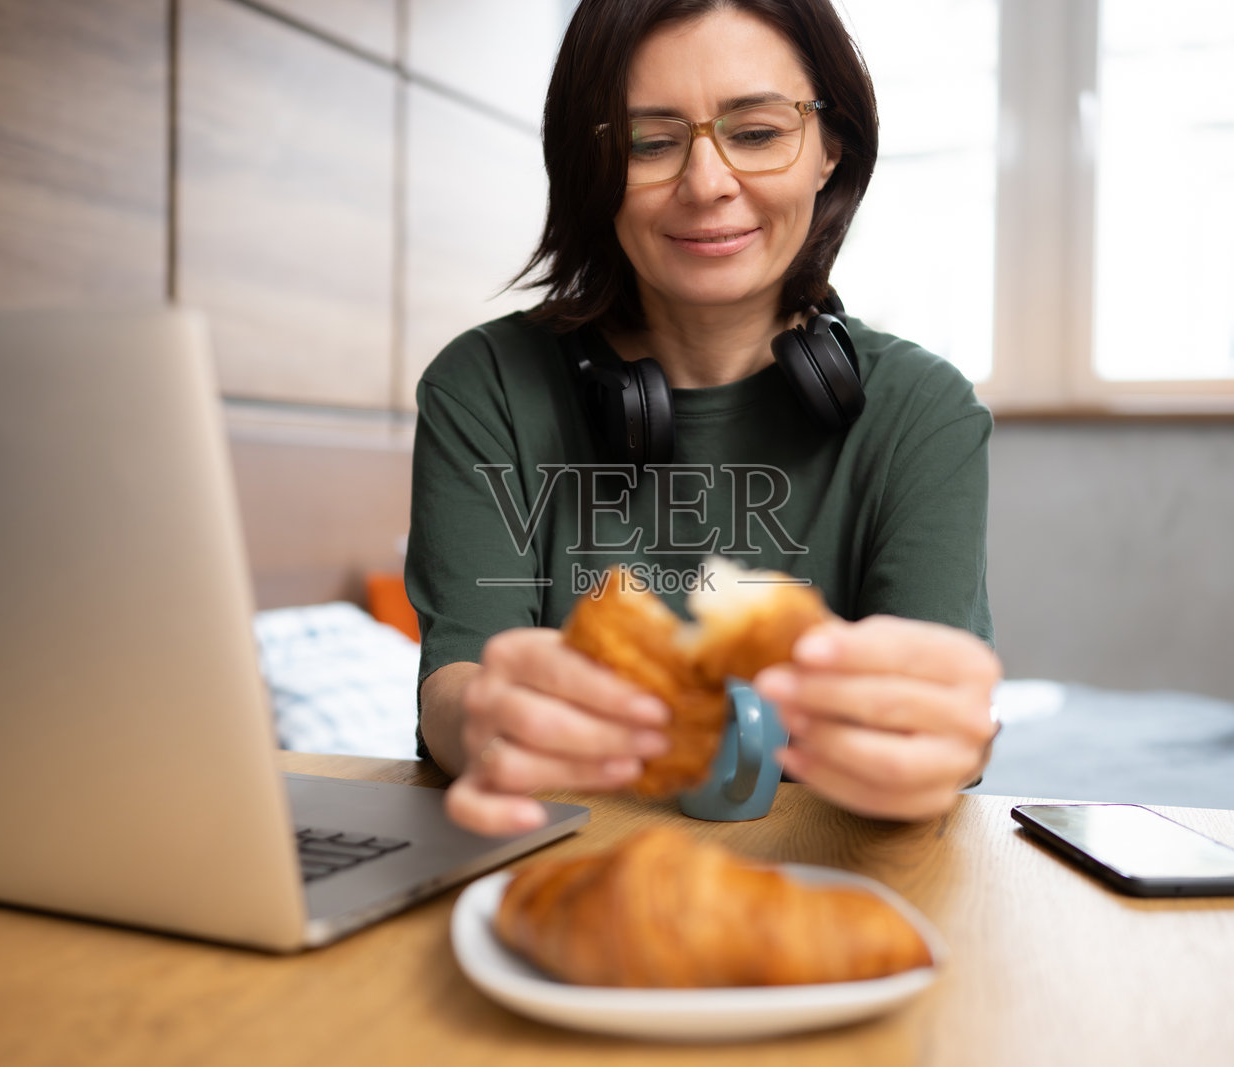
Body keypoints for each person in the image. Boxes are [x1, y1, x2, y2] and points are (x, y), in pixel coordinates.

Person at [405, 0, 1002, 837]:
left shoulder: (925, 411)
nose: (707, 183)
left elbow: (938, 726)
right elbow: (454, 689)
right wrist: (487, 722)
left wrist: (941, 737)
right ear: (593, 166)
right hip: (559, 869)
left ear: (829, 149)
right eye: (651, 143)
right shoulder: (486, 386)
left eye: (757, 133)